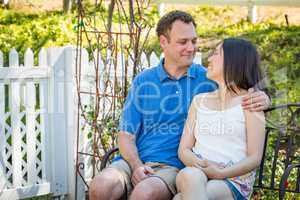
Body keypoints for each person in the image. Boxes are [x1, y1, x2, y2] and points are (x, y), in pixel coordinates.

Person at [89, 11, 270, 200]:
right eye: (183, 42)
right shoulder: (144, 81)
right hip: (135, 161)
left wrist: (264, 98)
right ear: (163, 42)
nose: (191, 48)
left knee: (145, 192)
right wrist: (136, 166)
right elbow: (126, 136)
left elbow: (238, 86)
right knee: (100, 187)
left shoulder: (207, 79)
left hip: (174, 167)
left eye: (194, 41)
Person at [174, 38, 266, 200]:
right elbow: (184, 150)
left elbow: (255, 157)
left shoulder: (250, 102)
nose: (209, 58)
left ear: (234, 61)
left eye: (216, 53)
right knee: (190, 175)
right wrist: (202, 165)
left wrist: (221, 172)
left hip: (233, 180)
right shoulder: (199, 101)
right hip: (196, 171)